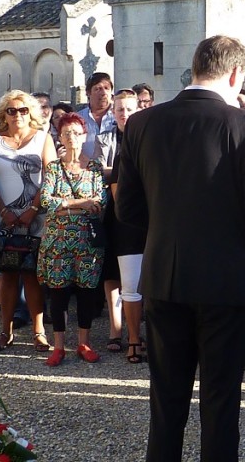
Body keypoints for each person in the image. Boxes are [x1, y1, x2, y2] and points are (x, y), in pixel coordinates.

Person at [116, 35, 245, 461]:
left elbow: (128, 209)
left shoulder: (142, 123)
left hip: (165, 277)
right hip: (226, 281)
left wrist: (171, 230)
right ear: (235, 73)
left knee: (166, 400)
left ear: (195, 67)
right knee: (220, 400)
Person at [0, 89, 58, 354]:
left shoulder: (42, 139)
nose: (17, 115)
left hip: (36, 216)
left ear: (31, 113)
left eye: (23, 110)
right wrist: (5, 211)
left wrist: (33, 208)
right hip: (1, 215)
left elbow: (51, 176)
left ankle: (39, 332)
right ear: (4, 114)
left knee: (33, 275)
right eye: (12, 110)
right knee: (7, 274)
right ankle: (6, 331)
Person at [38, 112, 107, 366]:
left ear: (85, 135)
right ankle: (58, 346)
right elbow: (47, 201)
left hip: (87, 243)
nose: (72, 138)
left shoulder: (95, 169)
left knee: (87, 293)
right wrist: (82, 203)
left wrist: (66, 204)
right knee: (58, 293)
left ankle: (84, 343)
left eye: (76, 133)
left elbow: (101, 203)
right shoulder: (54, 168)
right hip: (57, 242)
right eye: (67, 133)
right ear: (60, 137)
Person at [95, 90, 143, 357]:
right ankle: (123, 334)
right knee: (118, 275)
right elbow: (106, 176)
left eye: (129, 109)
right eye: (120, 109)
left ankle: (139, 334)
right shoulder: (109, 141)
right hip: (120, 215)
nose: (125, 114)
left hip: (148, 218)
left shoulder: (148, 140)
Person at [78, 72, 115, 158]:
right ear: (88, 93)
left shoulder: (119, 116)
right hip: (86, 168)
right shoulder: (79, 118)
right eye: (98, 89)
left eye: (107, 88)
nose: (103, 93)